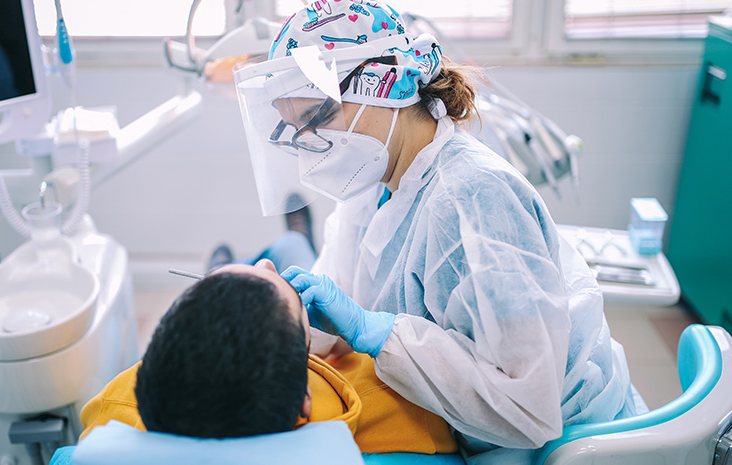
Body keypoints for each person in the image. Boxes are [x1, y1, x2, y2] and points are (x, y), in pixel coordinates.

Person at [231, 1, 643, 463]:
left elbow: (528, 406)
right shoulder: (372, 182)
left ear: (382, 83)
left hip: (559, 443)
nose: (311, 146)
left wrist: (375, 332)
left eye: (317, 119)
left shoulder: (474, 198)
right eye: (295, 131)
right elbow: (344, 291)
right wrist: (296, 319)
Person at [64, 260, 459, 465]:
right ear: (304, 400)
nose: (266, 266)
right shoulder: (394, 405)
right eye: (296, 305)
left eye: (211, 282)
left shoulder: (115, 403)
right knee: (290, 247)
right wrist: (354, 334)